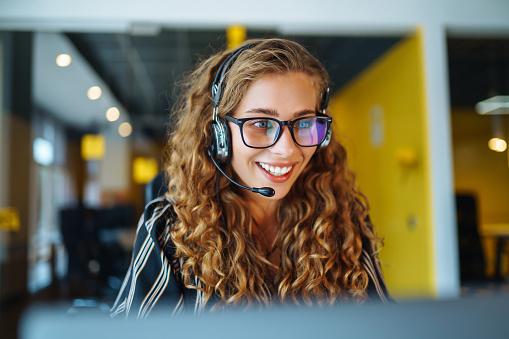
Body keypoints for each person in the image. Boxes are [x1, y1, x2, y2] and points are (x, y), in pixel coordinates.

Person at [111, 38, 391, 319]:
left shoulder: (344, 216)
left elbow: (382, 326)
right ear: (220, 134)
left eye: (304, 123)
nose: (287, 149)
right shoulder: (168, 228)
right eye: (261, 124)